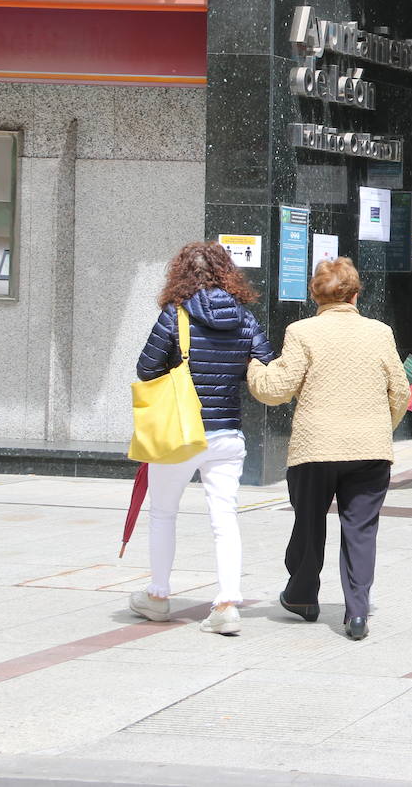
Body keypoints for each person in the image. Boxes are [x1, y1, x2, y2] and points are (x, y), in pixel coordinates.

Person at [247, 257, 410, 640]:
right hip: (369, 450)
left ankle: (303, 596)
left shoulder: (302, 331)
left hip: (314, 447)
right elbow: (400, 390)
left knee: (309, 521)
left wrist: (254, 367)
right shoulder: (380, 332)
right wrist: (380, 427)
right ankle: (356, 613)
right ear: (355, 293)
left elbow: (276, 389)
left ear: (314, 295)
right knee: (361, 530)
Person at [130, 241, 275, 636]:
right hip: (227, 433)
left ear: (180, 273)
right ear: (227, 271)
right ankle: (227, 602)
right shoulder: (244, 318)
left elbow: (146, 370)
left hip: (180, 435)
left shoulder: (173, 316)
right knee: (224, 518)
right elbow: (265, 364)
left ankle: (158, 596)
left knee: (163, 513)